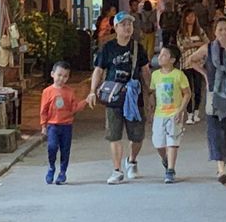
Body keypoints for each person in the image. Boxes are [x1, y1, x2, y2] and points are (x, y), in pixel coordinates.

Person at [87, 11, 150, 184]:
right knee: (114, 134)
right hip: (113, 96)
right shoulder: (108, 48)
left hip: (134, 97)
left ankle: (132, 160)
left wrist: (151, 91)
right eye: (123, 24)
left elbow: (145, 71)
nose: (127, 27)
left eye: (130, 24)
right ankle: (117, 170)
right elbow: (98, 70)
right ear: (115, 27)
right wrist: (92, 91)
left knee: (137, 135)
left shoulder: (138, 48)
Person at [187, 16, 226, 184]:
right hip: (214, 94)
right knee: (215, 130)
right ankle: (221, 169)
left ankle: (223, 164)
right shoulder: (208, 47)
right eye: (220, 30)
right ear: (215, 32)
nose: (223, 33)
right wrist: (205, 74)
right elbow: (191, 60)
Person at [40, 61, 89, 185]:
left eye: (65, 76)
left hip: (66, 125)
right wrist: (43, 125)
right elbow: (43, 110)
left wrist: (86, 101)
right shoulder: (47, 91)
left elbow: (74, 108)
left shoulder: (70, 92)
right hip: (52, 125)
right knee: (52, 147)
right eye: (59, 75)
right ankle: (51, 167)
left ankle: (62, 172)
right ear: (52, 74)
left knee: (65, 150)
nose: (62, 78)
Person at [149, 45, 191, 183]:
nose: (160, 57)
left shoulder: (179, 75)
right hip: (159, 114)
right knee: (159, 143)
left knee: (173, 141)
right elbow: (152, 93)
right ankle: (165, 159)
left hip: (174, 113)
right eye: (160, 54)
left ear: (172, 60)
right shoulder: (155, 75)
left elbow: (187, 93)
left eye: (164, 55)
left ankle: (170, 170)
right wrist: (151, 108)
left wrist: (181, 110)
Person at [177, 8, 208, 124]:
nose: (191, 18)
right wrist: (196, 44)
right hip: (185, 63)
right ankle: (189, 113)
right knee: (188, 89)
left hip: (198, 64)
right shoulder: (181, 32)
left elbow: (207, 43)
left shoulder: (200, 31)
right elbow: (181, 47)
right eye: (188, 16)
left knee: (198, 88)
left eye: (193, 16)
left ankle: (196, 112)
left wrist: (192, 44)